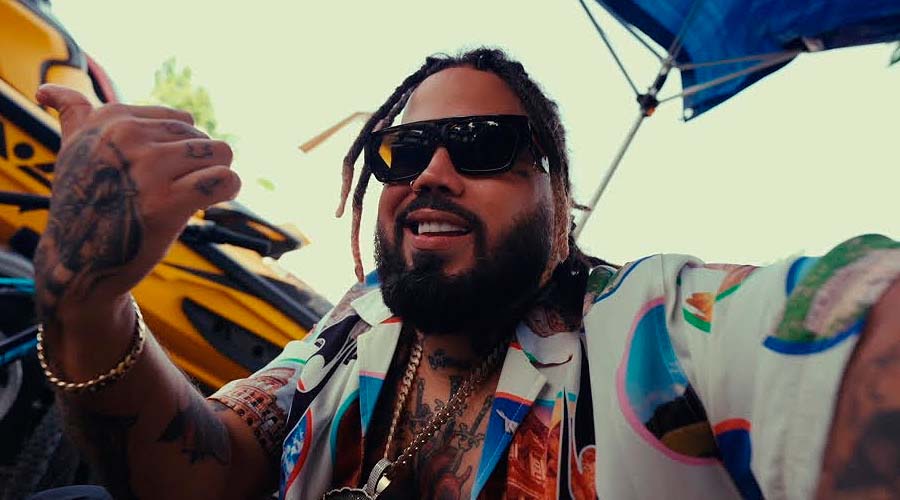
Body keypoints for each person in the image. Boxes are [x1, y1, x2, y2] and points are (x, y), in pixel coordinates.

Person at [31, 48, 900, 500]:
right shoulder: (361, 325)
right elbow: (205, 472)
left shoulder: (655, 330)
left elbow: (841, 327)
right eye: (403, 150)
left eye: (484, 146)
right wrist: (88, 300)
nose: (433, 173)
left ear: (560, 204)